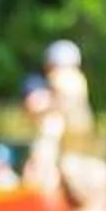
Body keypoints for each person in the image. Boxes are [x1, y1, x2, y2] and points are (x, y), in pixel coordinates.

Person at [19, 39, 93, 196]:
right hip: (63, 138)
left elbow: (75, 116)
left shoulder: (69, 80)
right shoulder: (75, 79)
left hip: (64, 135)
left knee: (61, 163)